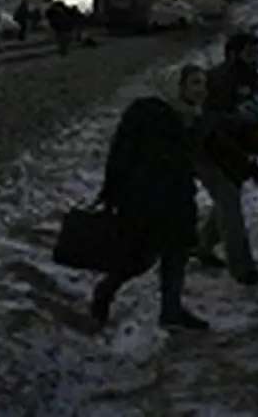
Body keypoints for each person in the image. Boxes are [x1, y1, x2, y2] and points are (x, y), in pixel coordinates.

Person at [89, 65, 211, 331]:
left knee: (176, 255)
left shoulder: (193, 117)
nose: (201, 90)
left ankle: (172, 311)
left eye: (203, 83)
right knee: (138, 258)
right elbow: (121, 152)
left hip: (177, 198)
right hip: (144, 199)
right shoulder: (147, 113)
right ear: (177, 86)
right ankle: (104, 293)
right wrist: (114, 191)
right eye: (194, 83)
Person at [195, 32, 258, 284]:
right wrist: (239, 119)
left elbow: (257, 111)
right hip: (208, 150)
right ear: (233, 53)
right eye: (250, 53)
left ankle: (202, 246)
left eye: (257, 53)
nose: (255, 58)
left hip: (236, 152)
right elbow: (206, 118)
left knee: (226, 202)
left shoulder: (256, 80)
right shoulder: (214, 79)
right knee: (230, 205)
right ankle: (243, 269)